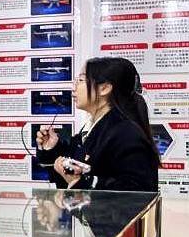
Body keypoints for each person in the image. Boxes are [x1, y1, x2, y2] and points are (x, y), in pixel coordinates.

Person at [37, 57, 159, 192]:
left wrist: (84, 182)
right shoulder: (91, 130)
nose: (74, 86)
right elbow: (70, 176)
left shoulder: (126, 134)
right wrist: (52, 149)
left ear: (104, 88)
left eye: (81, 80)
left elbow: (138, 192)